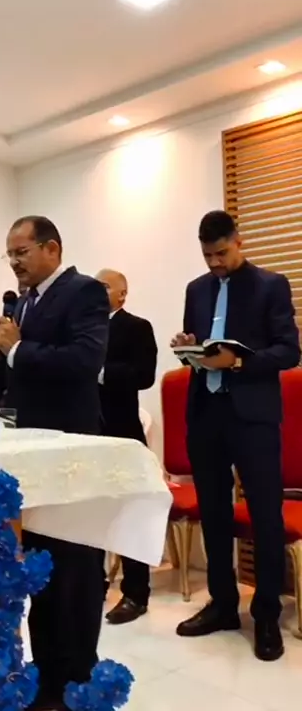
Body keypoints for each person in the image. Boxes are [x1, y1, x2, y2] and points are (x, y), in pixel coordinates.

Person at [0, 215, 110, 711]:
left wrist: (18, 348)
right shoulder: (22, 302)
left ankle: (77, 680)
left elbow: (84, 361)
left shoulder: (85, 292)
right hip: (30, 458)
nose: (14, 262)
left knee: (75, 573)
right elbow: (0, 369)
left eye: (22, 252)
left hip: (69, 454)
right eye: (9, 254)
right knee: (40, 570)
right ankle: (48, 680)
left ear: (51, 249)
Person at [171, 210, 300, 661]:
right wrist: (188, 347)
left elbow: (289, 351)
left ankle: (266, 615)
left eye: (221, 253)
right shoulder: (196, 289)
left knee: (265, 515)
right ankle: (223, 604)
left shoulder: (270, 285)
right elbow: (200, 348)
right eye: (207, 255)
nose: (215, 263)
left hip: (253, 417)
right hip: (205, 413)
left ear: (238, 242)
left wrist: (239, 361)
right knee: (213, 513)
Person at [96, 269, 157, 624]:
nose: (96, 290)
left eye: (104, 286)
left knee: (130, 515)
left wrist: (100, 372)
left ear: (122, 294)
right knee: (91, 513)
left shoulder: (137, 327)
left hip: (121, 432)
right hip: (86, 434)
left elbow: (144, 375)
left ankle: (136, 593)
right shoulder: (81, 329)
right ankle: (94, 583)